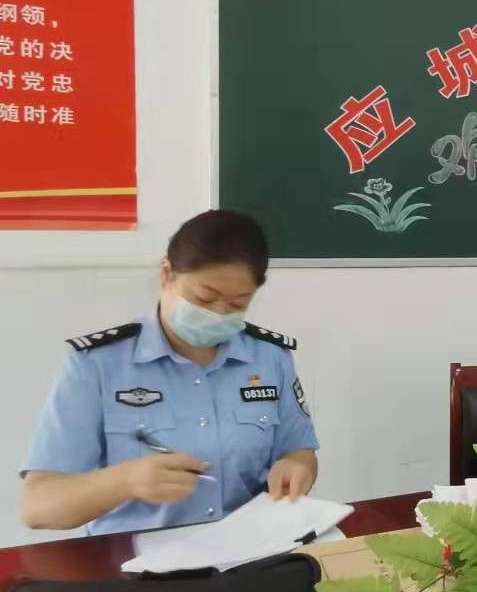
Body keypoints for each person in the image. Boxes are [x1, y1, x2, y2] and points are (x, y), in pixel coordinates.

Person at [21, 209, 319, 534]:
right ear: (167, 275)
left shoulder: (270, 357)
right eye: (205, 297)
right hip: (133, 559)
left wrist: (298, 466)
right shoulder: (98, 364)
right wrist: (124, 481)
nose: (219, 313)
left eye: (238, 303)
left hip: (250, 549)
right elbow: (38, 506)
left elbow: (299, 450)